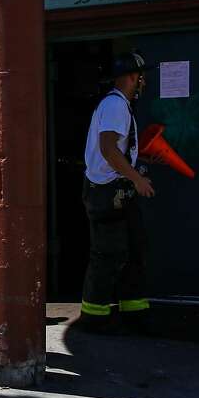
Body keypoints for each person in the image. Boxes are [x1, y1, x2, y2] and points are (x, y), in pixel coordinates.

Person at [75, 50, 155, 333]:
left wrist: (137, 165)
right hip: (107, 192)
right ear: (133, 77)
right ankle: (94, 317)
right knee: (108, 253)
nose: (143, 83)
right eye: (141, 77)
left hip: (115, 190)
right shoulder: (115, 106)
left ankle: (135, 313)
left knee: (133, 249)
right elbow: (109, 149)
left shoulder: (118, 106)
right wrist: (137, 179)